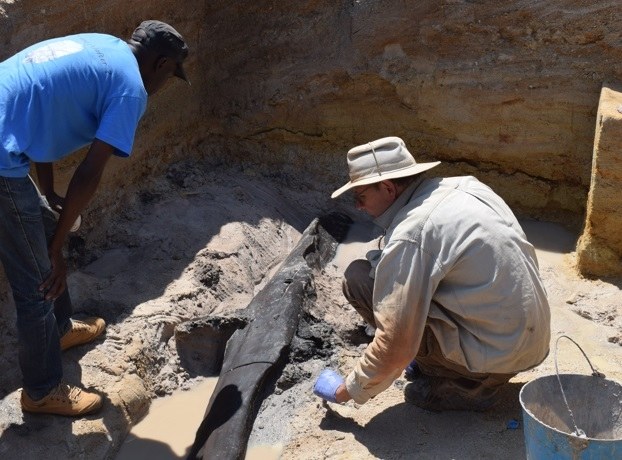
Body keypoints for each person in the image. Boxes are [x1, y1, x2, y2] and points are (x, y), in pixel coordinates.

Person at [0, 20, 189, 416]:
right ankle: (41, 391)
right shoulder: (129, 89)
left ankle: (61, 329)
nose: (166, 83)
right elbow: (89, 173)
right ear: (160, 63)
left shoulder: (104, 46)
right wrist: (56, 253)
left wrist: (49, 194)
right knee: (38, 281)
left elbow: (40, 116)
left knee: (47, 218)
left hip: (7, 130)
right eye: (171, 74)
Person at [313, 136, 550, 411]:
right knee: (385, 280)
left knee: (358, 280)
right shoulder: (467, 186)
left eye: (361, 196)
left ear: (388, 188)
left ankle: (466, 385)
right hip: (530, 342)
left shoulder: (413, 233)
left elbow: (394, 344)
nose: (358, 206)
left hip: (496, 357)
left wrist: (346, 391)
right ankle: (453, 366)